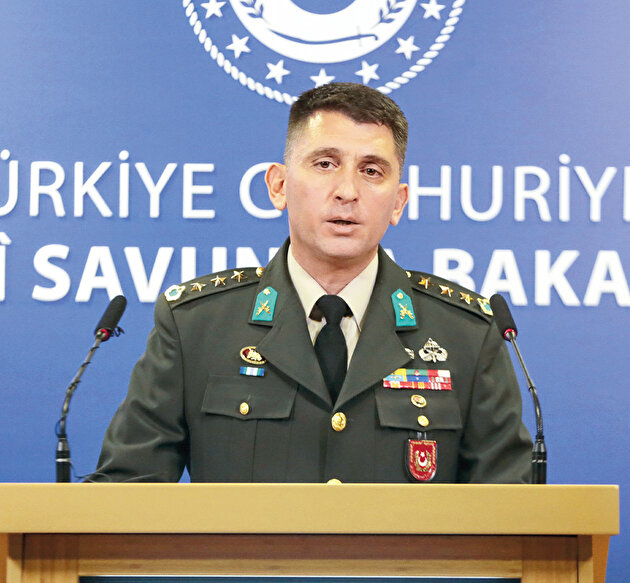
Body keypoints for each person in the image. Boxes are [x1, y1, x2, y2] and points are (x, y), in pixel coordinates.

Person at [94, 82, 532, 483]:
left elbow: (512, 513)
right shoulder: (196, 326)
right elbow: (125, 492)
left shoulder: (466, 335)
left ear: (398, 202)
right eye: (325, 164)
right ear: (279, 186)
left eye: (372, 171)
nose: (347, 191)